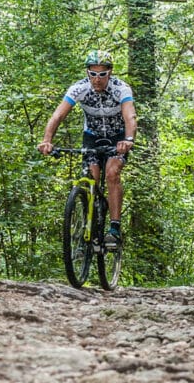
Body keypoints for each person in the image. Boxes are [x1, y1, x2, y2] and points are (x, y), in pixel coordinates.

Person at [37, 50, 138, 248]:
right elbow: (57, 116)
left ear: (110, 72)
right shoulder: (79, 88)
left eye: (102, 74)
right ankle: (89, 221)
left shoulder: (121, 89)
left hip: (117, 137)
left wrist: (128, 139)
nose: (97, 79)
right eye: (93, 73)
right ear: (87, 72)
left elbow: (130, 117)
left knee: (112, 173)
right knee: (91, 177)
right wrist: (47, 140)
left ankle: (114, 228)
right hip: (92, 137)